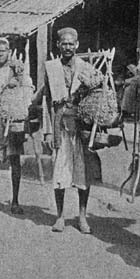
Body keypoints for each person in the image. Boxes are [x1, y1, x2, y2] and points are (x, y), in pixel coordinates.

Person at [40, 28, 102, 233]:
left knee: (82, 173)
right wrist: (48, 131)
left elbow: (95, 95)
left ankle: (82, 217)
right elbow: (47, 100)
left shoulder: (86, 67)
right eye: (63, 43)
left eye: (71, 43)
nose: (67, 47)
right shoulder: (51, 68)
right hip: (60, 125)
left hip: (81, 125)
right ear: (58, 45)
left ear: (77, 45)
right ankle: (60, 217)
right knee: (61, 172)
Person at [0, 37, 33, 214]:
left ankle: (15, 201)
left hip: (13, 119)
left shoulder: (17, 70)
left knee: (15, 160)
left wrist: (18, 84)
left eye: (4, 50)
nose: (1, 54)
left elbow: (28, 91)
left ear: (9, 51)